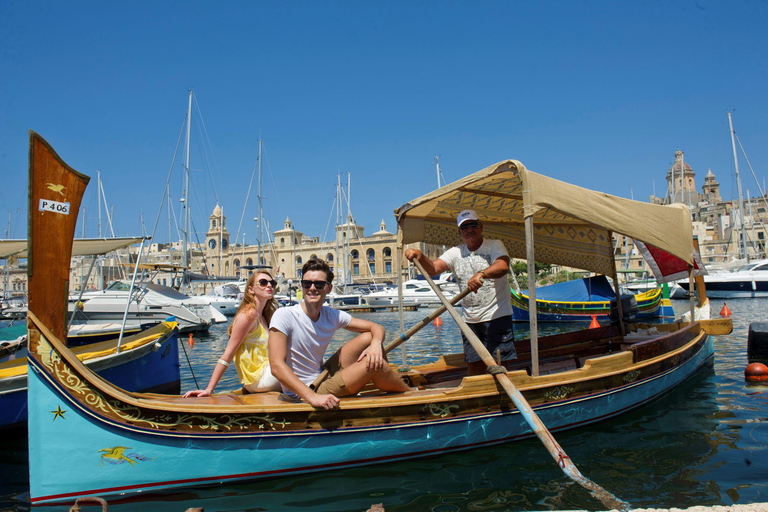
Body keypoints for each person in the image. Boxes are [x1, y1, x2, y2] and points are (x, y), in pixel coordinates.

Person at [268, 258, 410, 410]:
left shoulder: (331, 315)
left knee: (370, 337)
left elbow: (376, 327)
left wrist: (375, 345)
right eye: (307, 284)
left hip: (323, 374)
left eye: (319, 284)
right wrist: (313, 397)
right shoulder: (284, 315)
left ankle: (382, 381)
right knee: (375, 365)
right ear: (301, 286)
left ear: (329, 288)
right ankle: (411, 394)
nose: (312, 288)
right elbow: (276, 366)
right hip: (307, 390)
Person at [405, 209, 515, 376]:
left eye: (473, 225)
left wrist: (482, 274)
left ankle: (504, 400)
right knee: (474, 368)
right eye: (464, 227)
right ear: (460, 232)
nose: (469, 230)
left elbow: (502, 266)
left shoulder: (494, 245)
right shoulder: (456, 252)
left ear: (481, 226)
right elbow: (433, 268)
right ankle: (478, 400)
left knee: (501, 367)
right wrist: (419, 256)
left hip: (496, 317)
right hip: (469, 322)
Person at [183, 271, 282, 397]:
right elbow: (228, 354)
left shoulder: (263, 316)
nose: (269, 286)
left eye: (272, 283)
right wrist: (209, 389)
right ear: (250, 290)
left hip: (267, 373)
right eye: (263, 282)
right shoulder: (249, 315)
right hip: (258, 379)